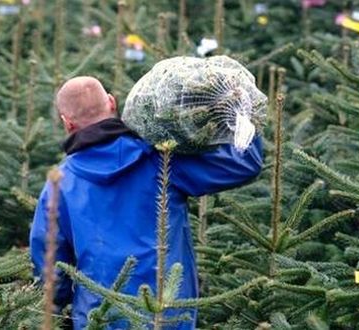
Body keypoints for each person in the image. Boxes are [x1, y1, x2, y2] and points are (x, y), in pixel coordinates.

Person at [30, 76, 264, 329]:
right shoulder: (160, 159)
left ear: (67, 123)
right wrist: (237, 110)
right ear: (111, 103)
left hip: (99, 319)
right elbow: (242, 164)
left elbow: (50, 267)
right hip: (169, 314)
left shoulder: (59, 185)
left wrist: (56, 312)